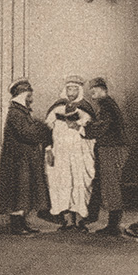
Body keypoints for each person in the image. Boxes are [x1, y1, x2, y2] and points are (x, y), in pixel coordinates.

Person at [0, 78, 52, 236]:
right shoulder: (16, 113)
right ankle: (16, 226)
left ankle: (22, 223)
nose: (31, 98)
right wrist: (44, 128)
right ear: (22, 94)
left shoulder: (21, 111)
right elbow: (27, 134)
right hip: (18, 161)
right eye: (29, 94)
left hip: (23, 159)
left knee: (24, 192)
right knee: (18, 192)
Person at [44, 75, 97, 230]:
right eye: (69, 88)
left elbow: (92, 130)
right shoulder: (57, 107)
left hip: (80, 154)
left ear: (79, 90)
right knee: (62, 183)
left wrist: (78, 126)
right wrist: (48, 149)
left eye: (74, 88)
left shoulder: (85, 107)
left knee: (80, 183)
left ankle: (80, 220)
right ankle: (67, 221)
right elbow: (47, 129)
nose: (71, 92)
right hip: (60, 153)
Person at [83, 77, 129, 236]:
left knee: (111, 185)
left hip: (112, 148)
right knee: (111, 185)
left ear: (103, 89)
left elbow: (103, 127)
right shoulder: (107, 104)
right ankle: (112, 223)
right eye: (90, 91)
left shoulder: (106, 105)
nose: (92, 93)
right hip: (112, 148)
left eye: (94, 90)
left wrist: (83, 128)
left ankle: (113, 226)